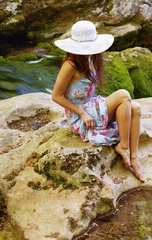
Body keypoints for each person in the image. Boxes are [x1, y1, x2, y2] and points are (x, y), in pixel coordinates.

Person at [52, 20, 144, 181]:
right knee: (123, 94)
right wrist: (81, 113)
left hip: (91, 108)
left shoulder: (88, 59)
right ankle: (123, 146)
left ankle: (134, 157)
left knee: (135, 108)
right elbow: (56, 96)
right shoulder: (70, 65)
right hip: (81, 117)